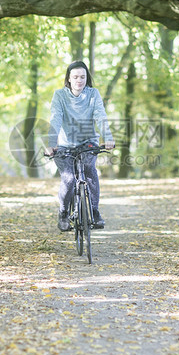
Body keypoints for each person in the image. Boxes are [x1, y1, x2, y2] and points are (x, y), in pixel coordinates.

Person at [48, 61, 115, 231]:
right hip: (65, 144)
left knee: (90, 171)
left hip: (88, 142)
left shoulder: (93, 94)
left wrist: (108, 137)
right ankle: (63, 213)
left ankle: (94, 211)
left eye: (83, 77)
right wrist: (50, 143)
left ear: (87, 78)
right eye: (75, 77)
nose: (79, 80)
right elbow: (55, 118)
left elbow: (101, 116)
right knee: (69, 178)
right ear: (69, 79)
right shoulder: (59, 96)